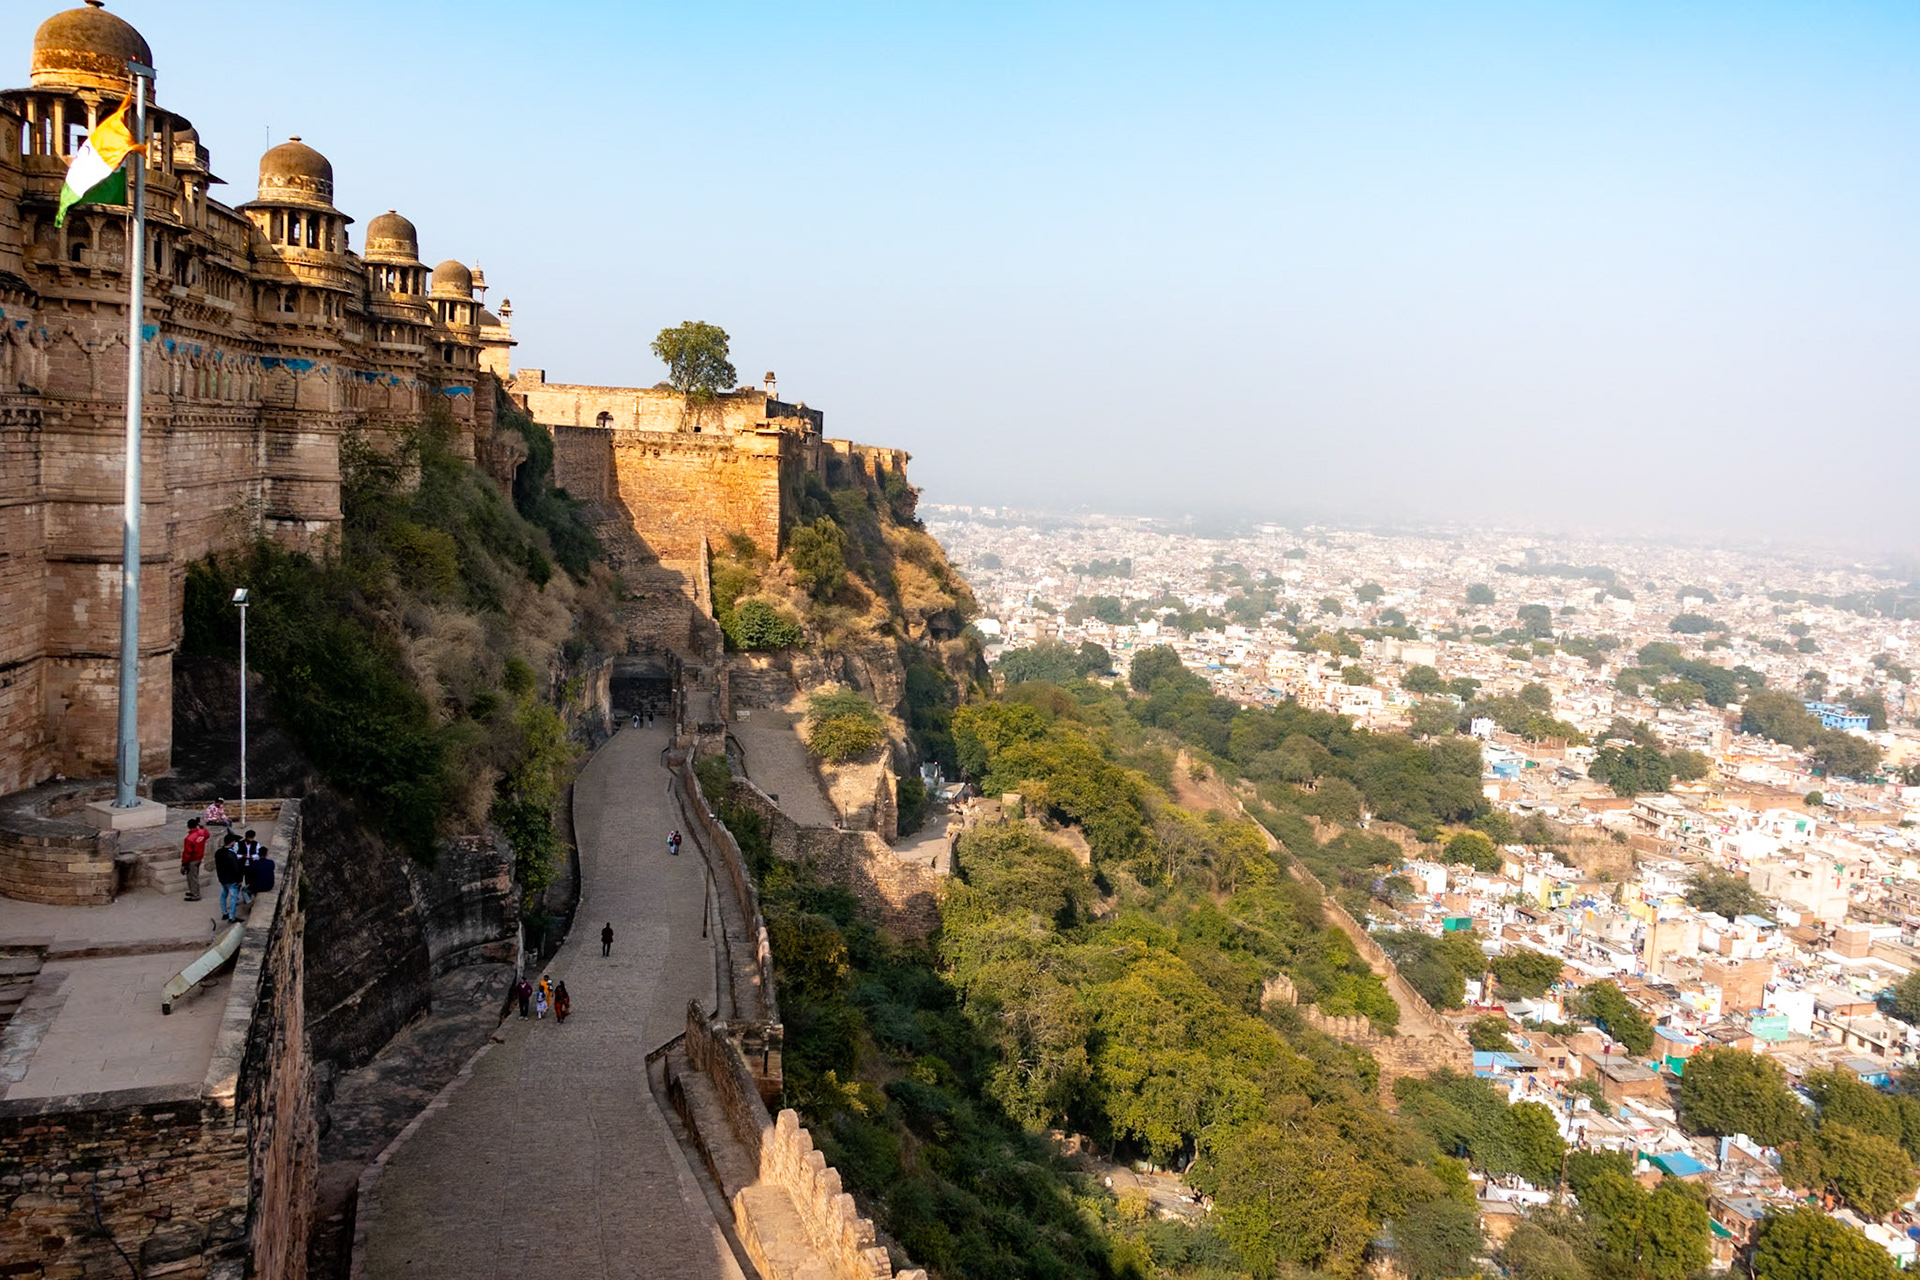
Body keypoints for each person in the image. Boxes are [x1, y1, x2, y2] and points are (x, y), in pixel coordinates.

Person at [214, 837, 243, 921]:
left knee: (223, 895)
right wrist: (239, 880)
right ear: (232, 843)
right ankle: (232, 917)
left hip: (222, 878)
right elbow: (236, 868)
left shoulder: (218, 852)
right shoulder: (231, 854)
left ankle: (224, 913)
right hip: (231, 879)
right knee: (233, 897)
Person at [180, 817, 207, 902]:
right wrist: (201, 826)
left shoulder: (189, 838)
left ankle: (195, 895)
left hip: (192, 860)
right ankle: (193, 891)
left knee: (192, 877)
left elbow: (187, 853)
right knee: (193, 876)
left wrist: (183, 864)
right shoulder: (201, 833)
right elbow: (207, 834)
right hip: (199, 857)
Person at [236, 829, 262, 906]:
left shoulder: (256, 844)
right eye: (250, 838)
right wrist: (242, 856)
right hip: (241, 865)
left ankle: (247, 898)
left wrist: (252, 857)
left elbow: (258, 854)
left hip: (250, 866)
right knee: (238, 882)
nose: (251, 840)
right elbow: (235, 855)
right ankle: (236, 898)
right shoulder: (239, 844)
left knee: (249, 882)